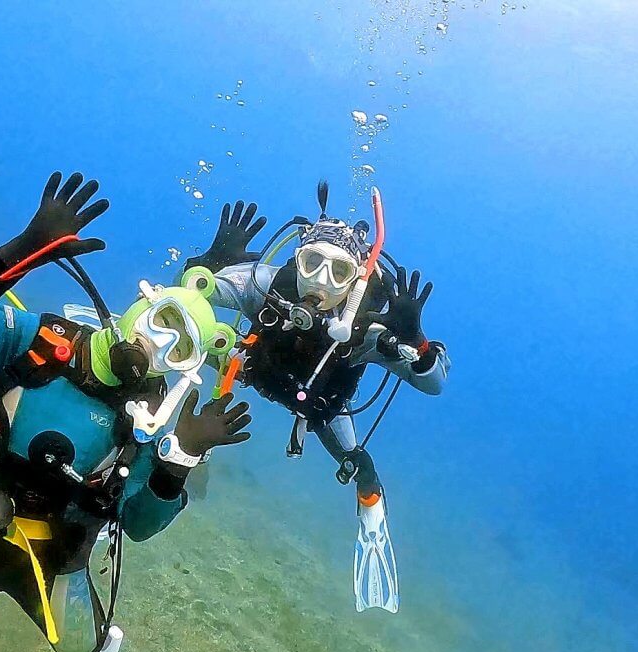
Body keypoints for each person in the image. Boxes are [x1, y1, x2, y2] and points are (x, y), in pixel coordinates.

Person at [0, 172, 252, 652]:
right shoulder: (42, 341)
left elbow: (137, 524)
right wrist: (23, 250)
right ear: (141, 306)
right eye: (160, 320)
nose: (157, 344)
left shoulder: (149, 423)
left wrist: (178, 463)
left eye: (179, 349)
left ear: (186, 367)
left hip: (56, 555)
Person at [181, 183, 449, 613]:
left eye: (338, 273)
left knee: (357, 462)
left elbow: (433, 383)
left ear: (356, 281)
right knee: (185, 339)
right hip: (248, 368)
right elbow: (194, 293)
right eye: (311, 263)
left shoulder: (368, 328)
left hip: (321, 408)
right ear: (297, 258)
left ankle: (371, 500)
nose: (319, 282)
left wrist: (415, 342)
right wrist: (209, 266)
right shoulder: (265, 285)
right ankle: (131, 363)